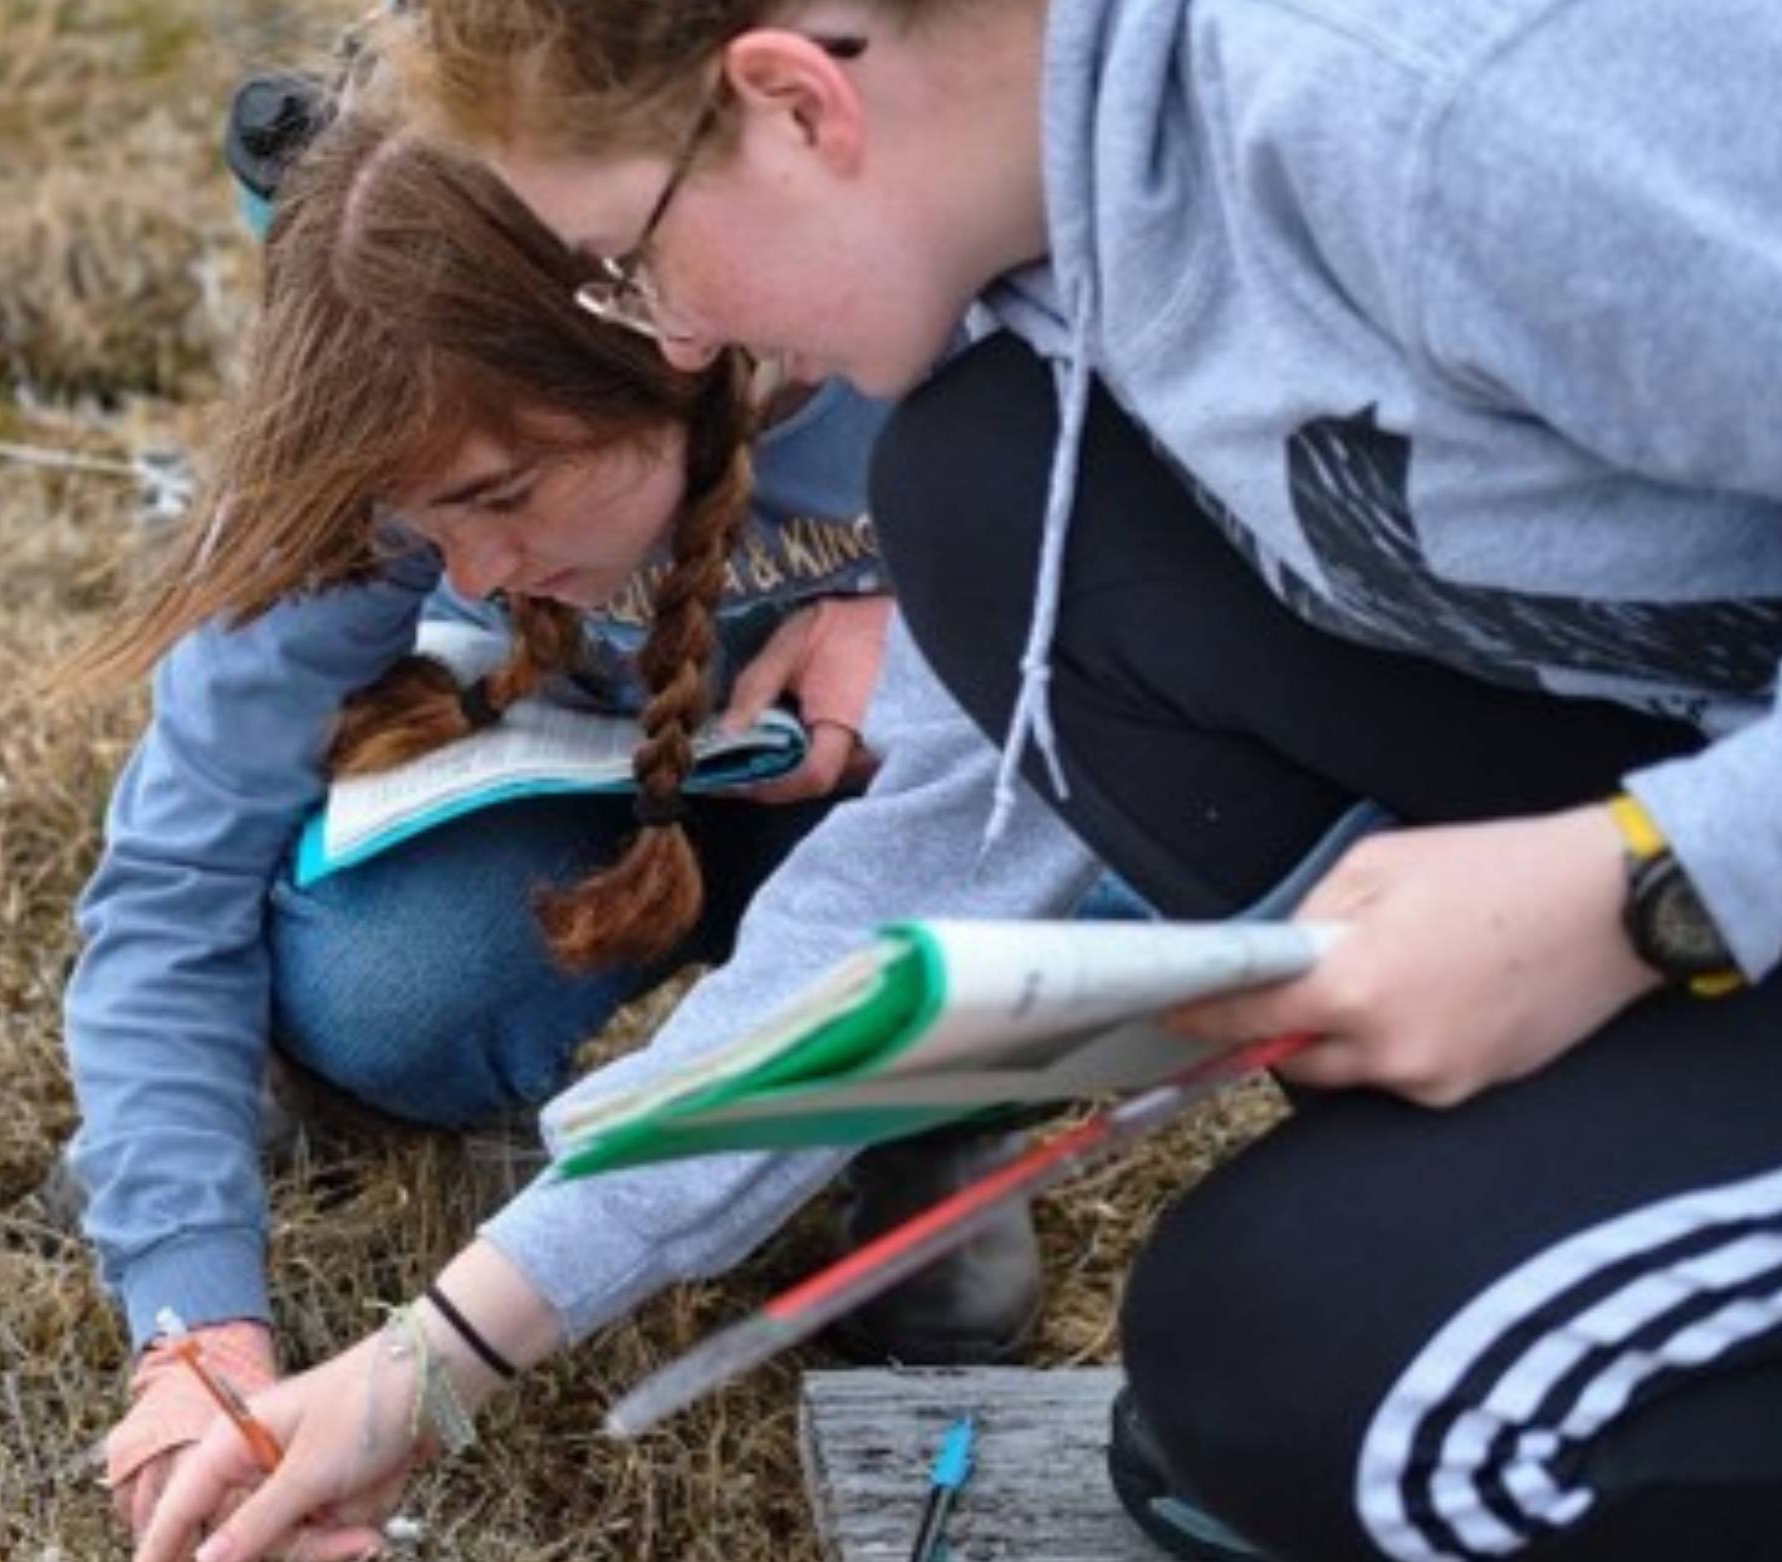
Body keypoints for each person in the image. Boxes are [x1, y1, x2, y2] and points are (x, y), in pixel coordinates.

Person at [297, 1, 1778, 1558]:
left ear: (799, 105)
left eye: (636, 257)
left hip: (1691, 867)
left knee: (1338, 1399)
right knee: (976, 491)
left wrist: (1641, 880)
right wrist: (433, 1358)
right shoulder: (1034, 326)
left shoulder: (1437, 114)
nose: (668, 341)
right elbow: (919, 869)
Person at [71, 105, 1147, 1559]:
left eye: (504, 499)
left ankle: (932, 1122)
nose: (476, 571)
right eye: (426, 528)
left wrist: (933, 617)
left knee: (1142, 890)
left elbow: (1034, 757)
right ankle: (673, 1124)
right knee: (379, 989)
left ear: (668, 339)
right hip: (599, 797)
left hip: (918, 799)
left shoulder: (925, 335)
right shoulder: (400, 428)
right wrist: (194, 1326)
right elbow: (169, 881)